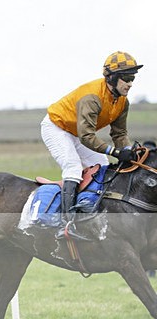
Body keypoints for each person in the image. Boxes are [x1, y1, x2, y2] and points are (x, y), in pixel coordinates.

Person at [41, 51, 143, 223]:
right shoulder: (92, 97)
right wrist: (116, 153)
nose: (130, 83)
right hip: (56, 127)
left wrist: (127, 150)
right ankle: (66, 221)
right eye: (126, 77)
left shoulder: (122, 102)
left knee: (102, 167)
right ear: (111, 77)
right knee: (73, 167)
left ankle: (89, 208)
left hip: (77, 133)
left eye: (133, 77)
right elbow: (87, 136)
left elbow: (119, 134)